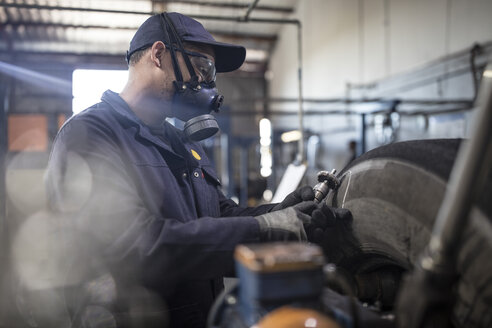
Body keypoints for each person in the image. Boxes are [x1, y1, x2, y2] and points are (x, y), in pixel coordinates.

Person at [45, 12, 351, 328]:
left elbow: (219, 217)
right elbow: (135, 246)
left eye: (211, 73)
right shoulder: (90, 135)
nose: (207, 84)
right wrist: (266, 228)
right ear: (159, 55)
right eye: (202, 67)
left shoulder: (182, 142)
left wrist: (285, 211)